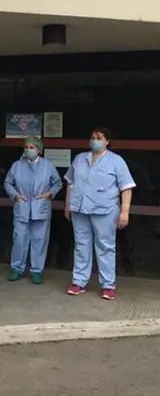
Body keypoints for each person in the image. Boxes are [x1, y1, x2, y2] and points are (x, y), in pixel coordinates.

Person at [64, 126, 135, 300]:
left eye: (99, 138)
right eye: (92, 137)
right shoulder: (80, 159)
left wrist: (125, 212)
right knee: (81, 246)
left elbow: (126, 187)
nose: (94, 141)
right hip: (80, 209)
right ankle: (79, 282)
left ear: (107, 141)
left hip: (105, 211)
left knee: (105, 247)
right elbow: (70, 183)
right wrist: (68, 205)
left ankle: (108, 285)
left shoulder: (116, 161)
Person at [3, 136, 62, 284]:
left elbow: (58, 183)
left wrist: (49, 194)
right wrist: (15, 195)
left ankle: (37, 271)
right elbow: (8, 183)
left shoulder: (48, 165)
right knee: (19, 239)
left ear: (39, 149)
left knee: (39, 240)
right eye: (26, 148)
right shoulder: (17, 165)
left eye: (32, 148)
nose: (28, 151)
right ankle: (17, 268)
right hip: (22, 207)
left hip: (40, 208)